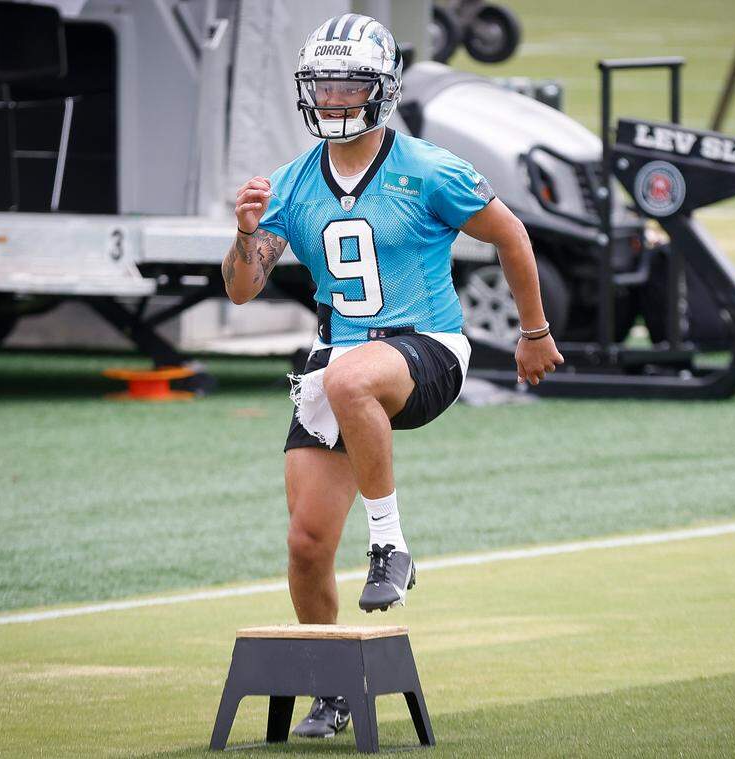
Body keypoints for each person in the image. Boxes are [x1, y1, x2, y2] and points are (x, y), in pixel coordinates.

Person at [221, 13, 564, 739]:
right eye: (323, 84)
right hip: (337, 358)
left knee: (351, 381)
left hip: (426, 345)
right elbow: (242, 289)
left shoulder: (428, 168)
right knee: (307, 544)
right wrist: (246, 233)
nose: (334, 98)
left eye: (349, 84)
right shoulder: (292, 182)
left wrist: (534, 332)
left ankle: (390, 545)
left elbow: (511, 233)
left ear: (381, 89)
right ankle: (331, 688)